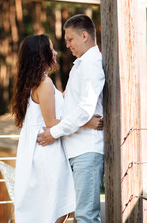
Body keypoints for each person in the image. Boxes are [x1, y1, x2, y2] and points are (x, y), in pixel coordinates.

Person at [11, 34, 102, 223]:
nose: (56, 52)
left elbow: (54, 108)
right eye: (51, 49)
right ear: (42, 55)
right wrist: (87, 122)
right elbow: (51, 122)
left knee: (49, 207)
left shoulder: (31, 82)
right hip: (47, 151)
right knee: (58, 207)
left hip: (34, 150)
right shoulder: (44, 83)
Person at [37, 14, 105, 223]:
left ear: (84, 35)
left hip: (87, 150)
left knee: (86, 216)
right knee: (79, 215)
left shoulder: (92, 64)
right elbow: (72, 108)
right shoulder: (81, 64)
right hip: (76, 149)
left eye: (70, 39)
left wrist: (53, 133)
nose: (67, 45)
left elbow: (85, 109)